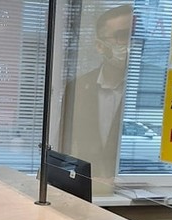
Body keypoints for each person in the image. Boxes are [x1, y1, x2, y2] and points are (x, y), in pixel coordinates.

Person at [60, 5, 134, 185]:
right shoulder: (77, 88)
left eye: (134, 34)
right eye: (122, 36)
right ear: (100, 46)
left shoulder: (151, 87)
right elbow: (62, 149)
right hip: (86, 187)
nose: (130, 42)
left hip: (134, 191)